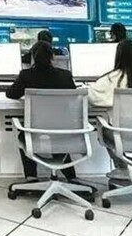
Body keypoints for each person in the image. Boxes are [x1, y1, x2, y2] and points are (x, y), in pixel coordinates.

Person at [6, 41, 78, 182]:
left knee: (24, 135)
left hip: (35, 130)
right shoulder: (65, 76)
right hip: (63, 129)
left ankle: (31, 176)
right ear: (52, 57)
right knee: (58, 136)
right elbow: (74, 97)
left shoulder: (26, 75)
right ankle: (71, 177)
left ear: (33, 57)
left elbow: (11, 94)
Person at [88, 39, 132, 181]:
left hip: (121, 135)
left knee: (103, 126)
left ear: (118, 56)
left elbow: (92, 98)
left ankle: (122, 168)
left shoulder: (110, 79)